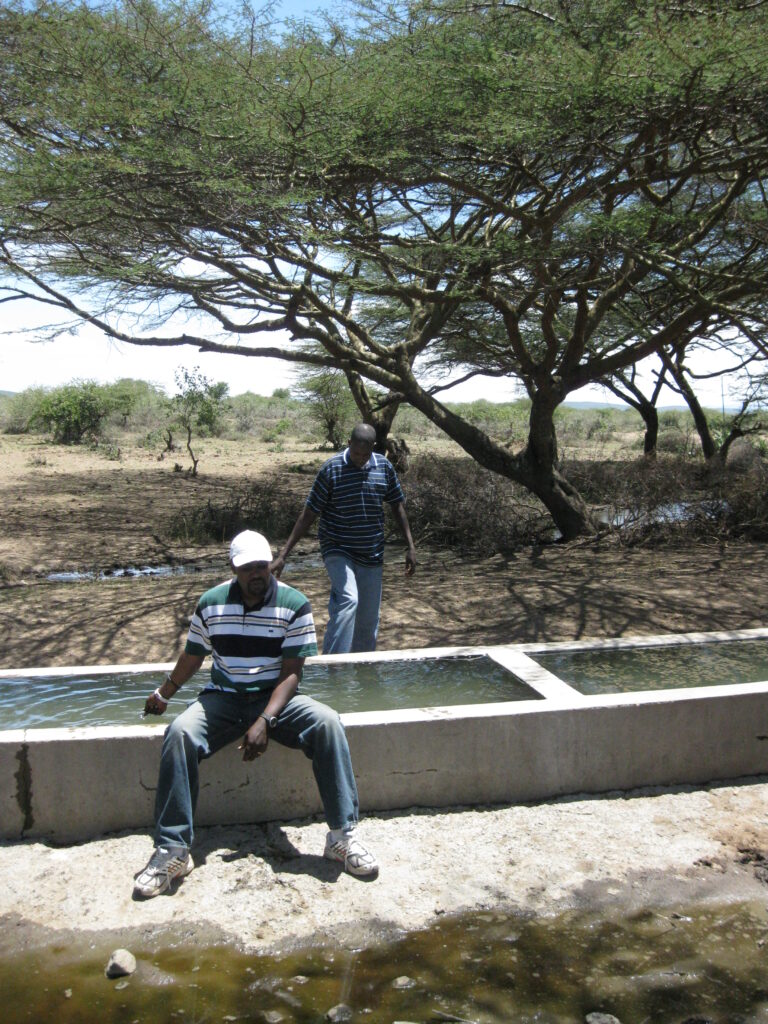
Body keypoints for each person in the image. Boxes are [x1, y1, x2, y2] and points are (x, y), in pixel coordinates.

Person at [133, 529, 378, 899]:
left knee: (327, 722)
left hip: (277, 697)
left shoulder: (294, 604)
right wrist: (164, 693)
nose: (257, 574)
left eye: (262, 565)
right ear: (234, 567)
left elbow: (292, 673)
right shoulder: (211, 602)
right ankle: (173, 849)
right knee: (180, 733)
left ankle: (342, 836)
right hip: (224, 697)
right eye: (248, 567)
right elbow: (194, 656)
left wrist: (265, 720)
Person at [271, 423, 417, 654]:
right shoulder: (332, 468)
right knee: (349, 600)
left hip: (371, 550)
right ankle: (334, 668)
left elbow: (397, 506)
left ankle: (363, 674)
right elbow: (309, 513)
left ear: (373, 448)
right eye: (356, 452)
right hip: (337, 547)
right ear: (348, 444)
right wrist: (283, 555)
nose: (360, 458)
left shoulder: (384, 467)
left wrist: (410, 547)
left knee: (368, 620)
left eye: (365, 454)